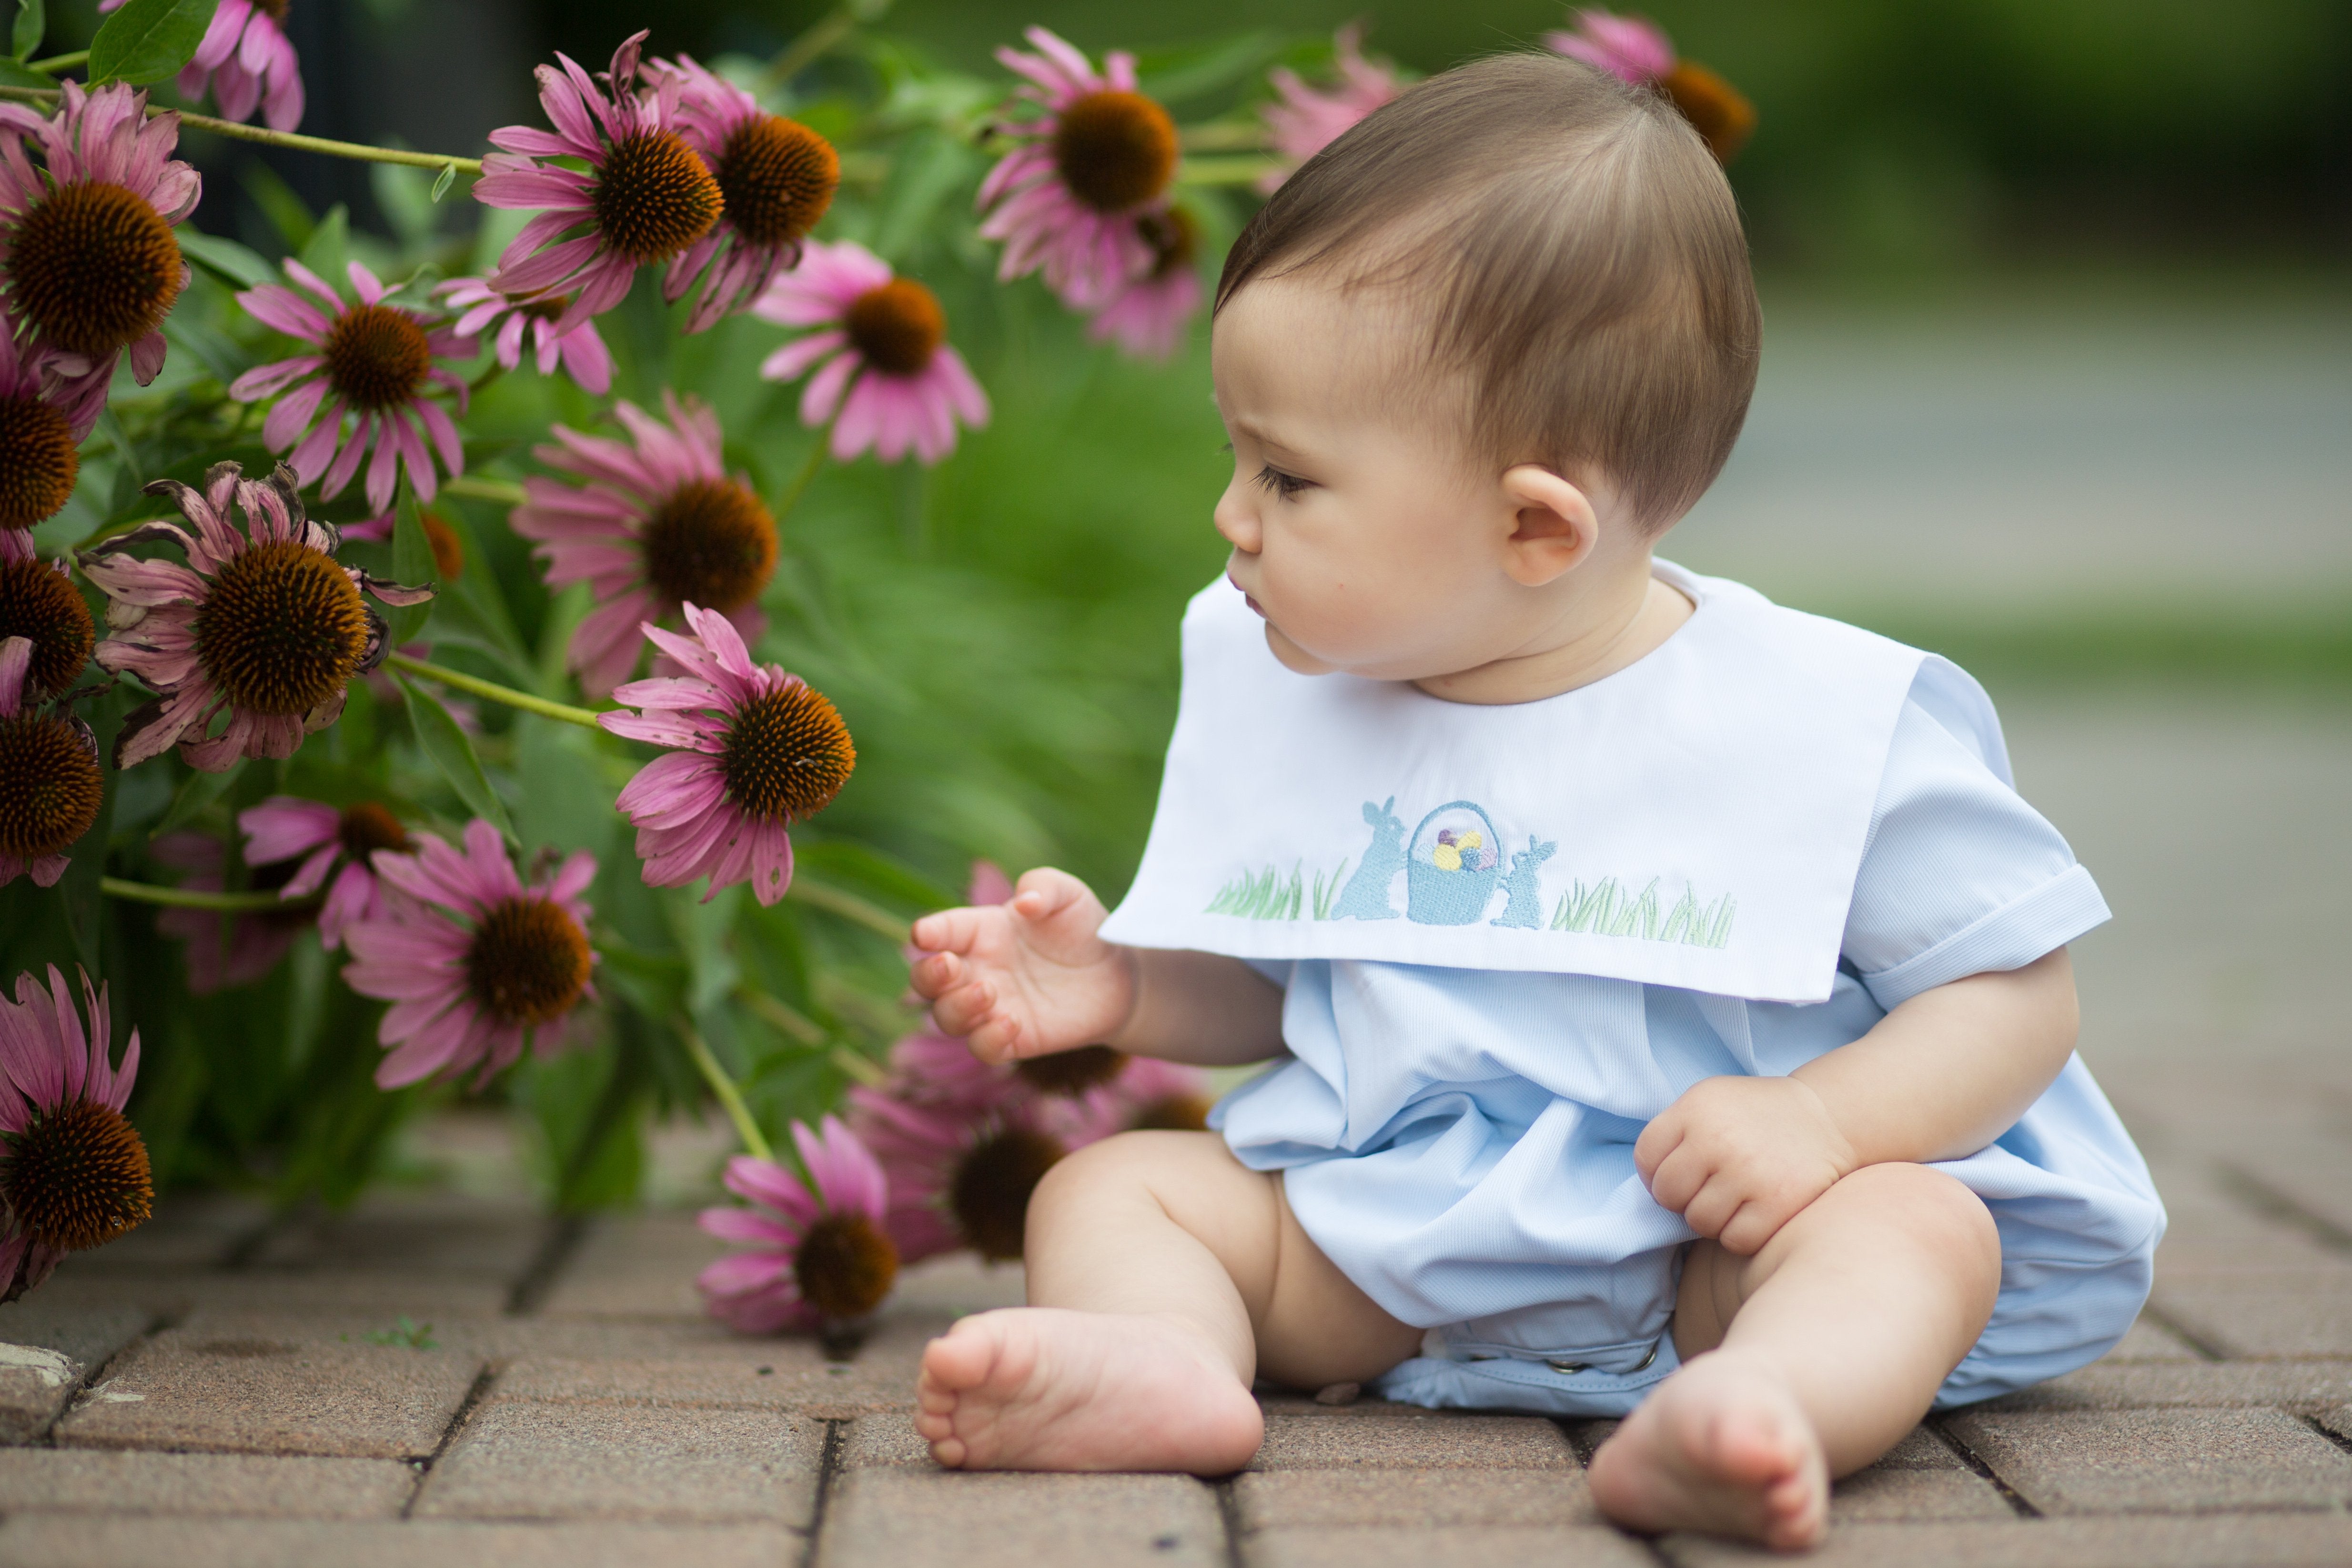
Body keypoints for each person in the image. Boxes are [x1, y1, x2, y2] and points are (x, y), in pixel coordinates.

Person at [904, 51, 2162, 1550]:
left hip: (1721, 1241)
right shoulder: (1312, 685)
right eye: (1235, 456)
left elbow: (2013, 999)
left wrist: (1822, 1124)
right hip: (1395, 1242)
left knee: (1911, 1231)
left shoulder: (1816, 722)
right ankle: (1168, 1361)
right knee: (1119, 1188)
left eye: (1289, 478)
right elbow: (1293, 975)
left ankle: (1764, 1404)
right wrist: (1123, 980)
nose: (1229, 518)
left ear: (1530, 524)